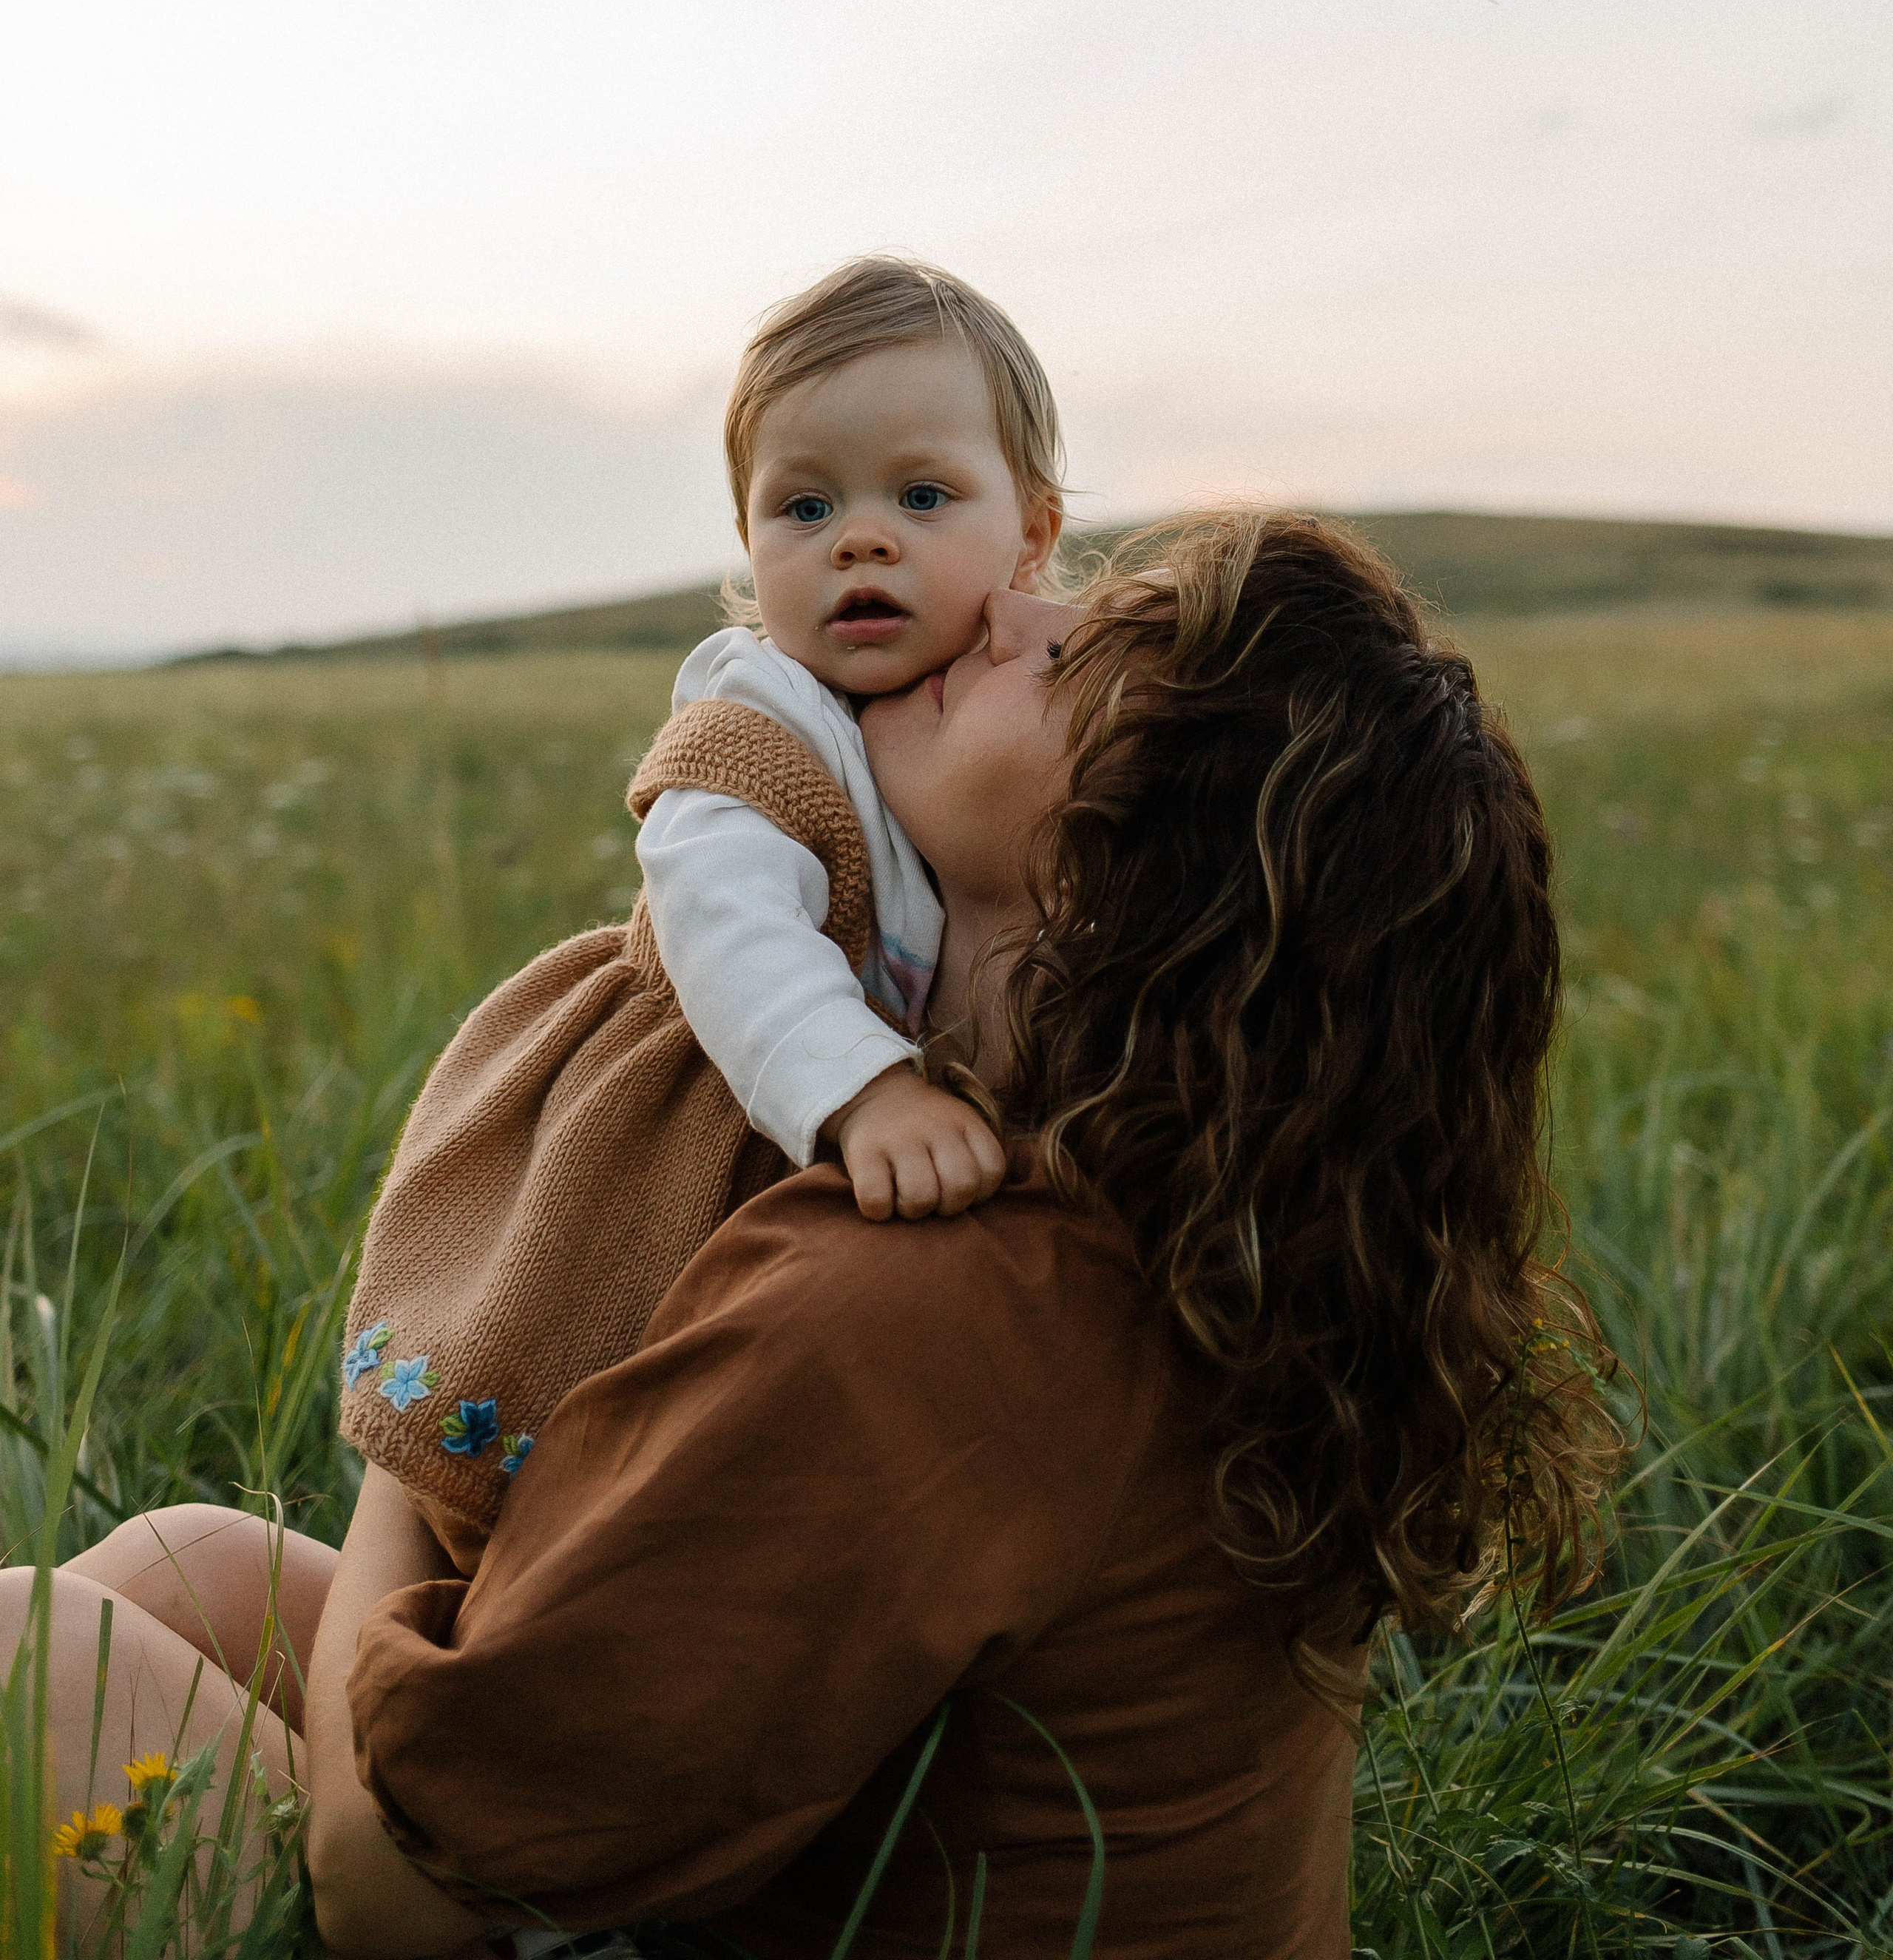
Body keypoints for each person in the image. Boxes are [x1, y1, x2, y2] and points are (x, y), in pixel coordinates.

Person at [0, 512, 1622, 1959]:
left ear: (1121, 880)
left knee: (23, 1648)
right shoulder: (1194, 1218)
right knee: (181, 1565)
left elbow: (388, 1896)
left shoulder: (924, 1301)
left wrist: (421, 1430)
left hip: (456, 1890)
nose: (997, 607)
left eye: (1069, 657)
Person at [339, 254, 1063, 1564]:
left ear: (1033, 534)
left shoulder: (992, 708)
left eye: (921, 494)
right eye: (802, 506)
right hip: (682, 1116)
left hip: (810, 1169)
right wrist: (867, 1091)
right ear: (748, 542)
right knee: (581, 1396)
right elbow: (728, 927)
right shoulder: (759, 713)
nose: (860, 537)